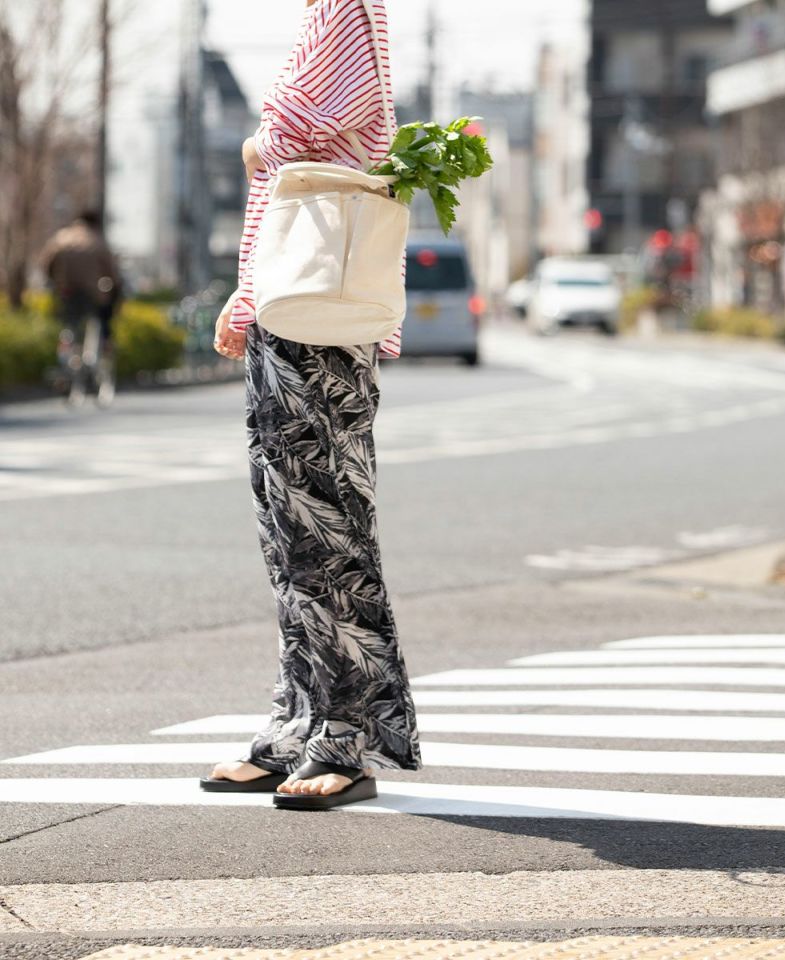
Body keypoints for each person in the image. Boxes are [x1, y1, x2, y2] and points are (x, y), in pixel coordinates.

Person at [202, 0, 421, 810]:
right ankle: (297, 724)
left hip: (319, 329)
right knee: (288, 537)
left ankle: (345, 736)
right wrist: (247, 295)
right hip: (291, 310)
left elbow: (309, 129)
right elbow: (289, 198)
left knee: (326, 535)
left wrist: (258, 140)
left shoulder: (346, 9)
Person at [41, 210, 122, 359]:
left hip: (66, 291)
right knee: (101, 319)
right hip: (92, 293)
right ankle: (104, 344)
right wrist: (115, 290)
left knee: (69, 324)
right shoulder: (96, 240)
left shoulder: (61, 238)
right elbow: (112, 273)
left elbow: (47, 264)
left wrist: (55, 282)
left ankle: (64, 354)